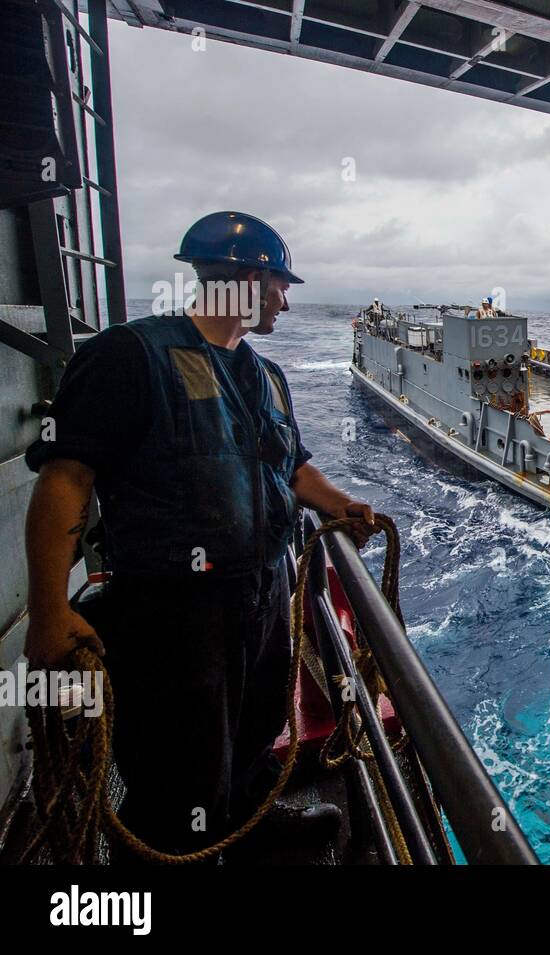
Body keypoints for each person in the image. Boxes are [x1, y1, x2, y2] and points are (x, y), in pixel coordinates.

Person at [23, 211, 377, 861]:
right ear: (247, 278)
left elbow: (289, 464)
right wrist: (48, 610)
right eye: (279, 285)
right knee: (178, 761)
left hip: (264, 592)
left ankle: (245, 823)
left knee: (253, 729)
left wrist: (343, 504)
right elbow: (66, 478)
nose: (286, 300)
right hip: (171, 612)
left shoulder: (266, 376)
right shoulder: (129, 356)